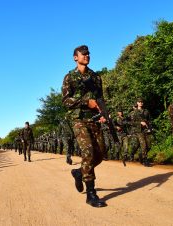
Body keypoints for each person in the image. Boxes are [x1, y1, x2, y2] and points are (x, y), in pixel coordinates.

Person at [62, 45, 107, 207]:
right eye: (83, 54)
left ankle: (79, 172)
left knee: (100, 154)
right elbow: (66, 101)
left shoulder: (96, 78)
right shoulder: (70, 77)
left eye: (88, 53)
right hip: (78, 120)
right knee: (88, 152)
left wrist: (103, 113)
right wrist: (86, 102)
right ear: (75, 57)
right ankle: (91, 193)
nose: (87, 56)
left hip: (94, 119)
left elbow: (100, 98)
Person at [129, 98, 152, 166]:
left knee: (149, 145)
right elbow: (131, 123)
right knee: (143, 145)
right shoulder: (133, 112)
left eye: (142, 102)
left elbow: (150, 120)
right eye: (139, 102)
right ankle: (145, 160)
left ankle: (141, 156)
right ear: (137, 103)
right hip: (138, 131)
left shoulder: (146, 111)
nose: (141, 103)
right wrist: (140, 123)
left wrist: (150, 128)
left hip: (146, 130)